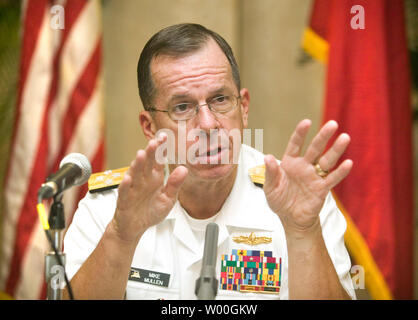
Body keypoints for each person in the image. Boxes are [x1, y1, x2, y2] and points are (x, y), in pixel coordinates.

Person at [63, 23, 356, 300]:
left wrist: (303, 232)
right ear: (150, 126)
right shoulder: (108, 210)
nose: (207, 124)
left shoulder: (298, 202)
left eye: (219, 100)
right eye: (182, 107)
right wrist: (121, 237)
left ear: (243, 108)